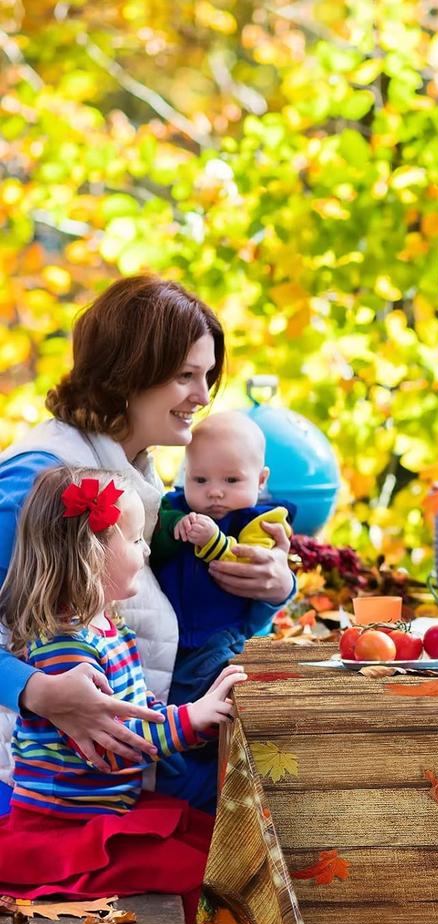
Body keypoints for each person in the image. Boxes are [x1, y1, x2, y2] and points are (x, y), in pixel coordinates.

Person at [0, 275, 295, 814]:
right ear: (126, 373)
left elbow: (183, 623)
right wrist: (34, 690)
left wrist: (271, 589)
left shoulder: (143, 477)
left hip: (141, 767)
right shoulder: (41, 482)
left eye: (207, 376)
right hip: (46, 796)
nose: (203, 398)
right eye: (186, 376)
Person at [0, 466, 244, 924]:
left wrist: (195, 720)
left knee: (214, 845)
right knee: (195, 871)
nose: (148, 549)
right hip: (67, 829)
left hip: (106, 811)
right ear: (89, 555)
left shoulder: (111, 630)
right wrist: (190, 718)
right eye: (135, 541)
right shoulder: (67, 651)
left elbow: (140, 711)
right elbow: (114, 746)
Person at [147, 412, 294, 809]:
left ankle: (235, 791)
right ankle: (183, 787)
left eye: (231, 481)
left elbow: (251, 566)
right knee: (175, 725)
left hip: (221, 643)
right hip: (171, 649)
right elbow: (153, 543)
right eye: (200, 480)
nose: (215, 493)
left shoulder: (262, 521)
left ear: (260, 480)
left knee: (231, 716)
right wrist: (171, 527)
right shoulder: (172, 509)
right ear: (184, 475)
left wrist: (212, 541)